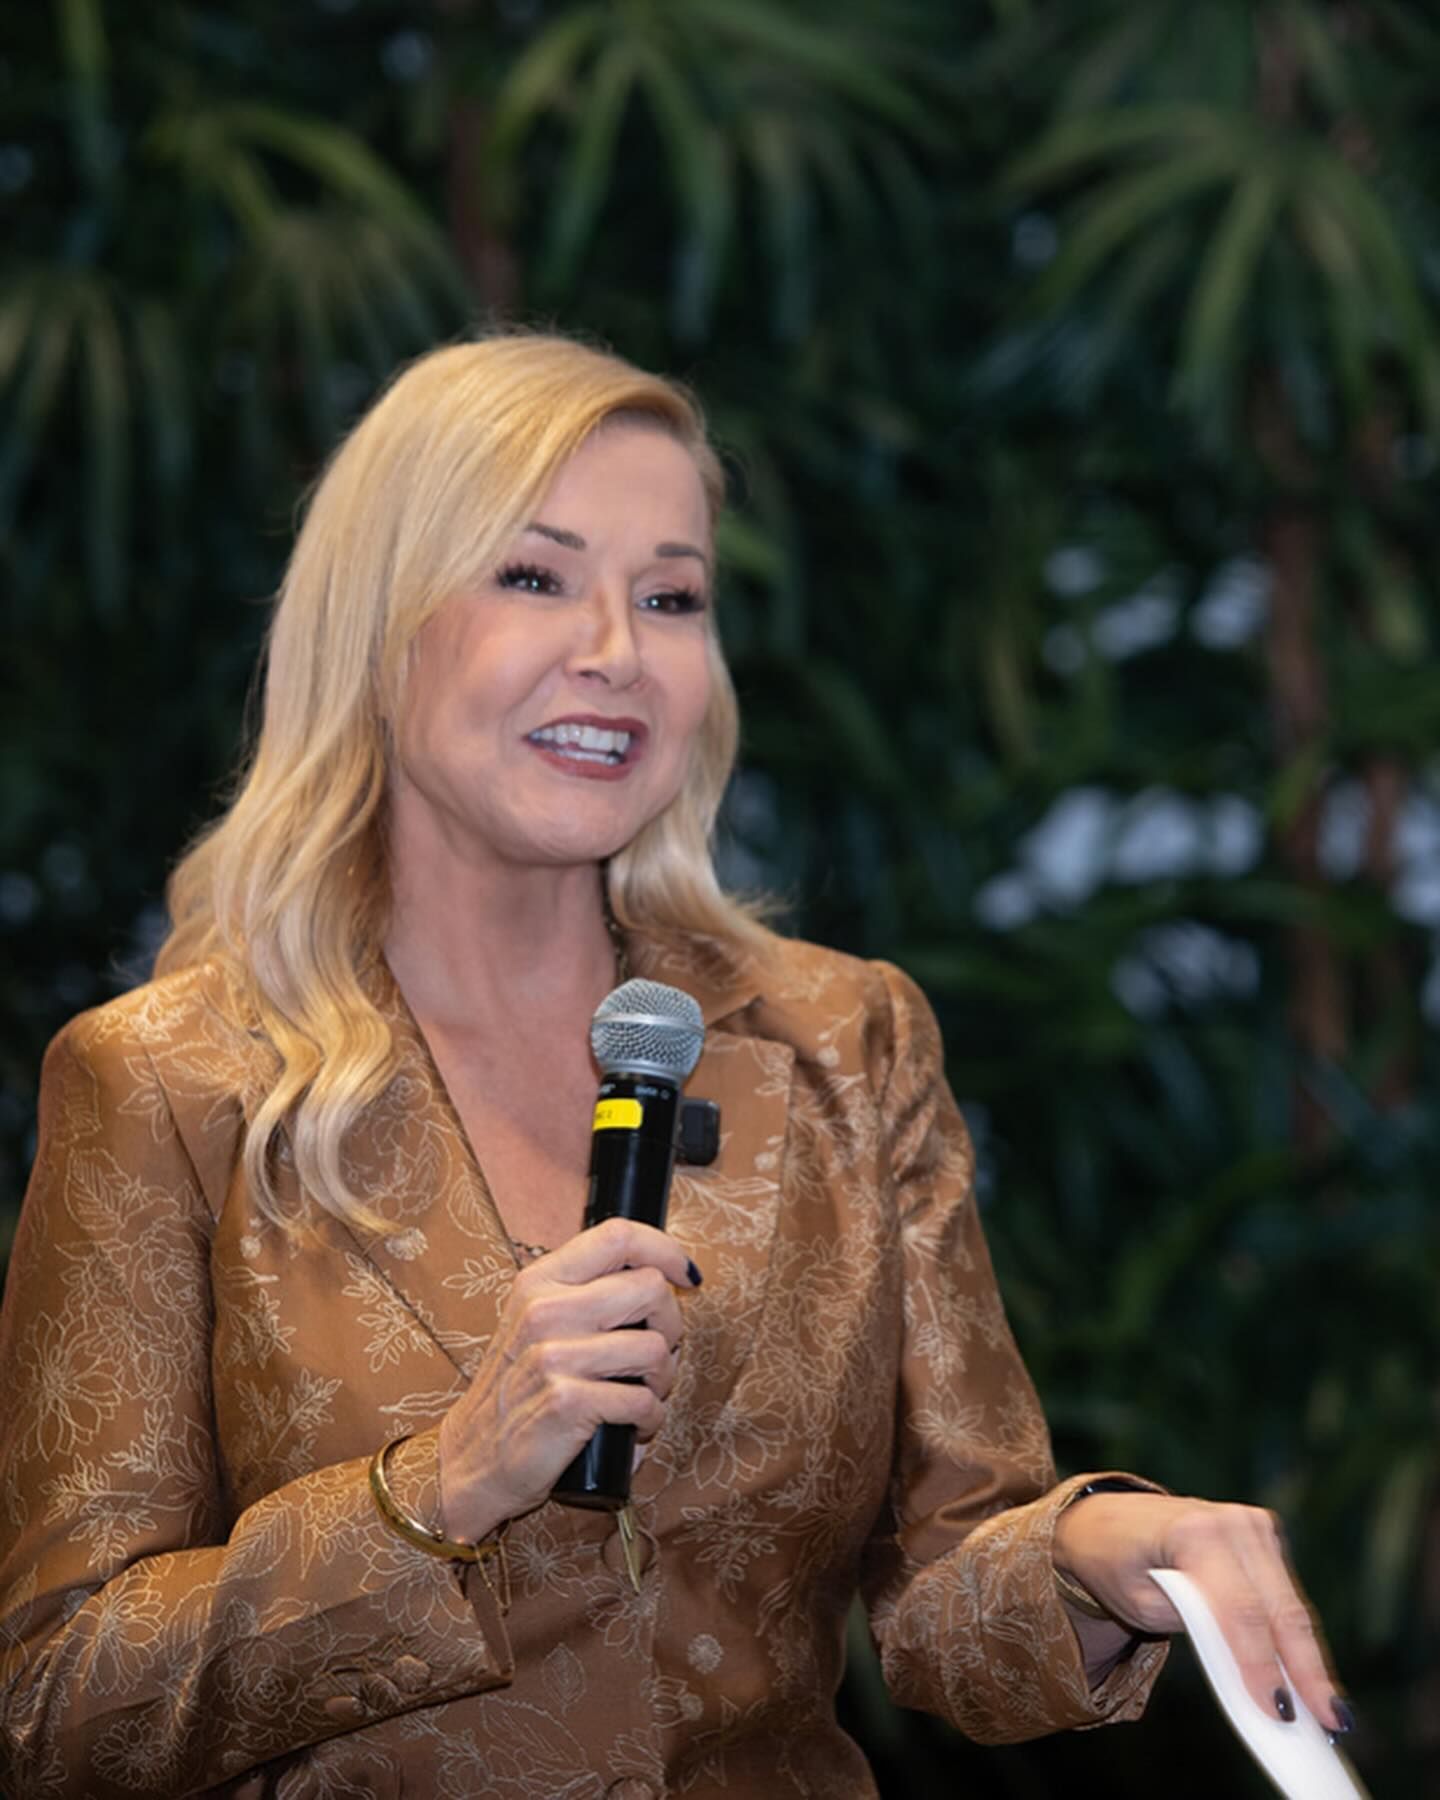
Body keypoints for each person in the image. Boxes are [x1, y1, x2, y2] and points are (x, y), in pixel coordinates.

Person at [0, 333, 1347, 1798]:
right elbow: (62, 1705)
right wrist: (441, 1490)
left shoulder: (846, 1038)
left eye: (670, 596)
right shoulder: (167, 1083)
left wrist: (1104, 1557)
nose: (617, 652)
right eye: (535, 576)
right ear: (377, 634)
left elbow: (948, 1584)